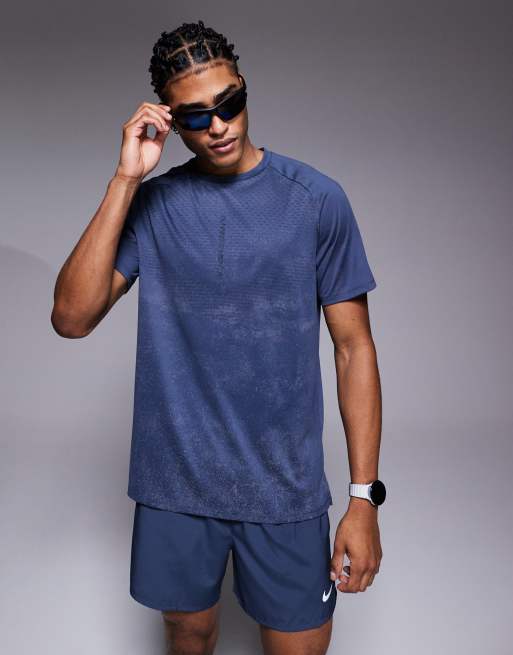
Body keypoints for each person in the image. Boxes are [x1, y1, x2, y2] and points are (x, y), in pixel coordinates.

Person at [51, 19, 385, 655]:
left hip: (284, 487)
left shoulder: (316, 200)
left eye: (229, 103)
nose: (220, 126)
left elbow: (354, 349)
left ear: (244, 88)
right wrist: (126, 179)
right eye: (197, 116)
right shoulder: (155, 205)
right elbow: (71, 317)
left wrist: (363, 498)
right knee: (188, 635)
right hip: (174, 485)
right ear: (171, 122)